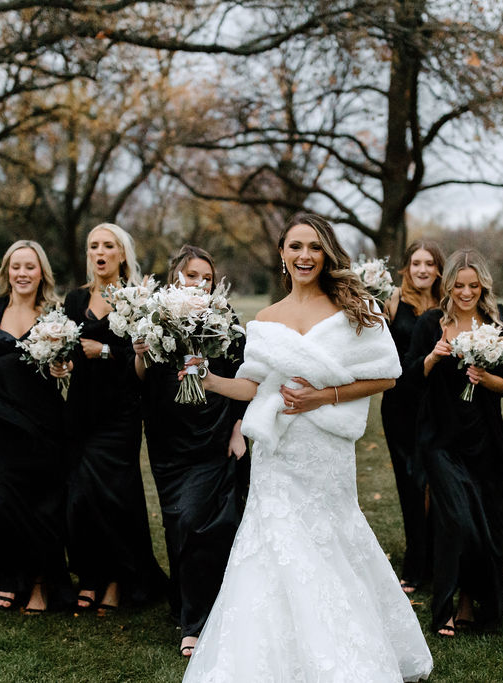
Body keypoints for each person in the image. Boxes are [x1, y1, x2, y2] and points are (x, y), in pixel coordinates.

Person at [180, 213, 432, 682]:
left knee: (329, 542)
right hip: (277, 455)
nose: (304, 256)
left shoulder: (355, 312)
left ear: (326, 253)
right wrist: (208, 378)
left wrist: (324, 396)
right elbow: (252, 387)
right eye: (295, 247)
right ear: (281, 254)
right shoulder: (265, 320)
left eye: (314, 247)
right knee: (271, 546)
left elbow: (388, 374)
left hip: (325, 450)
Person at [134, 245, 247, 657]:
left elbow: (242, 374)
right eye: (192, 275)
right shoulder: (156, 314)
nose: (200, 282)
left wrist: (238, 427)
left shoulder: (225, 319)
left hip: (213, 428)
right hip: (166, 434)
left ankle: (197, 622)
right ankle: (184, 604)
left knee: (204, 521)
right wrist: (139, 355)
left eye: (206, 277)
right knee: (178, 521)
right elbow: (141, 380)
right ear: (175, 278)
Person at [404, 249, 503, 637]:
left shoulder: (497, 326)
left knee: (488, 525)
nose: (466, 292)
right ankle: (444, 608)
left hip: (485, 440)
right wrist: (433, 358)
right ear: (447, 284)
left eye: (474, 285)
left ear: (483, 285)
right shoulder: (429, 324)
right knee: (458, 521)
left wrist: (483, 377)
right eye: (459, 285)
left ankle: (471, 604)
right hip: (440, 438)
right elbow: (408, 379)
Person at [0, 240, 71, 613]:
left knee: (43, 507)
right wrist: (2, 413)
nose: (22, 274)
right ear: (6, 271)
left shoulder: (56, 313)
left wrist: (64, 369)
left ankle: (40, 582)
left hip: (44, 425)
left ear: (42, 273)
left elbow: (66, 371)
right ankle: (9, 572)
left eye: (30, 267)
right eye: (16, 266)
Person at [64, 224, 166, 615]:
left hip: (119, 413)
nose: (100, 252)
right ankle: (91, 574)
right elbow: (70, 348)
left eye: (109, 246)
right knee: (80, 498)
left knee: (113, 496)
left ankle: (120, 578)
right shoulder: (75, 300)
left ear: (122, 254)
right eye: (94, 246)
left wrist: (105, 351)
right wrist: (61, 360)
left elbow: (145, 363)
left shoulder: (137, 300)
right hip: (79, 412)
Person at [382, 240, 445, 595]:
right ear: (406, 267)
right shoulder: (392, 303)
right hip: (400, 404)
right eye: (416, 263)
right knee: (410, 483)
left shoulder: (448, 303)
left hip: (437, 404)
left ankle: (438, 557)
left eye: (429, 263)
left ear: (438, 269)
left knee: (436, 481)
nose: (422, 269)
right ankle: (415, 562)